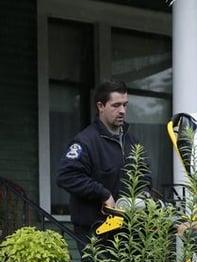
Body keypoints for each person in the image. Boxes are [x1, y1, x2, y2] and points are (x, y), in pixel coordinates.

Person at [56, 79, 148, 251]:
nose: (122, 111)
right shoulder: (85, 141)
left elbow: (144, 174)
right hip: (94, 233)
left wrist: (142, 196)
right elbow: (66, 176)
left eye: (125, 105)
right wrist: (103, 193)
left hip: (129, 233)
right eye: (116, 105)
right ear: (101, 106)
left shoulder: (132, 141)